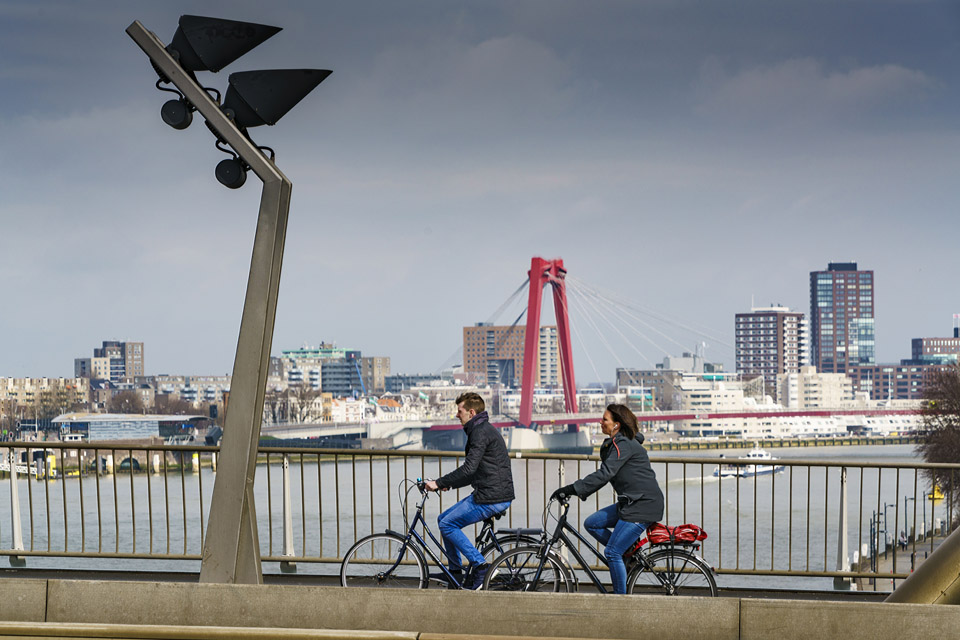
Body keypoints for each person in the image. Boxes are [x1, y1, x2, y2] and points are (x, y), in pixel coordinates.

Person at [550, 403, 664, 594]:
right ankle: (628, 553)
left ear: (616, 424)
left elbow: (605, 474)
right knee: (592, 523)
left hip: (642, 505)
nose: (600, 422)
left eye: (605, 419)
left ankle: (620, 599)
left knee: (612, 552)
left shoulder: (624, 444)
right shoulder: (620, 443)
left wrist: (572, 489)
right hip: (631, 502)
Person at [425, 392, 514, 589]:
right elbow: (473, 472)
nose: (457, 415)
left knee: (448, 524)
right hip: (490, 492)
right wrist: (448, 484)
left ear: (471, 412)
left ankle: (480, 565)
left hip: (492, 497)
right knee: (443, 519)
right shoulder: (481, 429)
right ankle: (455, 572)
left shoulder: (480, 432)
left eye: (460, 411)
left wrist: (438, 483)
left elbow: (468, 469)